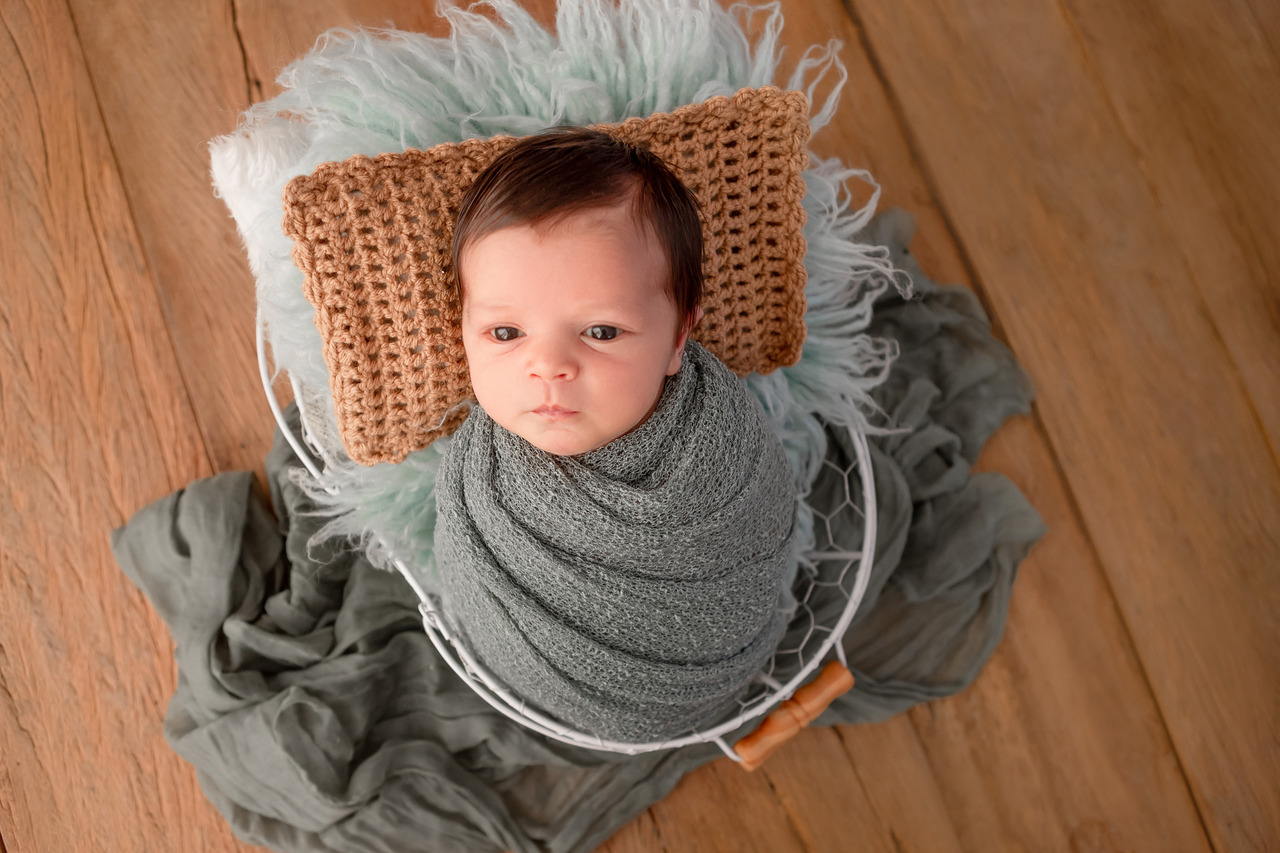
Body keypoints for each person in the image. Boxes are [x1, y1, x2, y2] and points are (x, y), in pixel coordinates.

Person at [433, 127, 799, 742]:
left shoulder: (727, 452)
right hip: (520, 684)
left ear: (679, 338)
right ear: (464, 329)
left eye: (601, 332)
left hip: (704, 678)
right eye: (505, 334)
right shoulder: (480, 478)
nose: (548, 367)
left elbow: (758, 544)